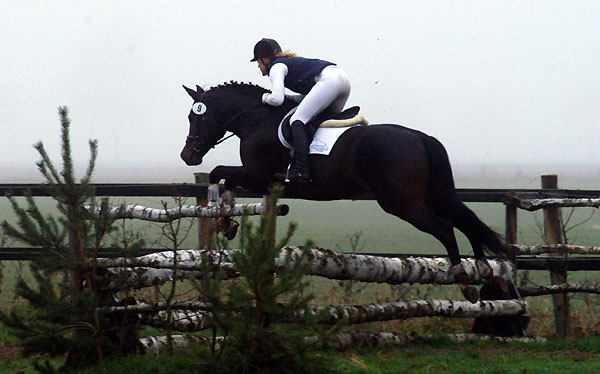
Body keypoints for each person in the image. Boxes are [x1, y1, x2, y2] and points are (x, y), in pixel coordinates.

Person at [251, 38, 351, 184]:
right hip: (342, 80)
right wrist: (291, 97)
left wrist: (265, 98)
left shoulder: (276, 67)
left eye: (258, 62)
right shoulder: (288, 63)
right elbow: (310, 97)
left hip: (329, 80)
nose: (258, 67)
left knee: (297, 120)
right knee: (319, 121)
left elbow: (276, 99)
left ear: (265, 59)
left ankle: (301, 170)